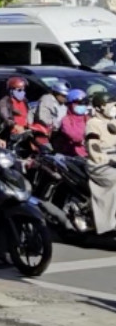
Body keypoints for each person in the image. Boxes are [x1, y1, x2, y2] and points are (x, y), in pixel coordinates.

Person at [85, 93, 116, 234]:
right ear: (99, 107)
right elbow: (93, 144)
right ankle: (108, 224)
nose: (114, 108)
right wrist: (100, 157)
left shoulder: (114, 121)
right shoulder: (93, 123)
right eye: (111, 105)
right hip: (101, 163)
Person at [54, 89, 89, 157]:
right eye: (78, 103)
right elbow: (75, 137)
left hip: (88, 153)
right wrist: (87, 139)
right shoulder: (66, 120)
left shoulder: (87, 118)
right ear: (70, 104)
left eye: (84, 103)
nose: (82, 105)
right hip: (73, 155)